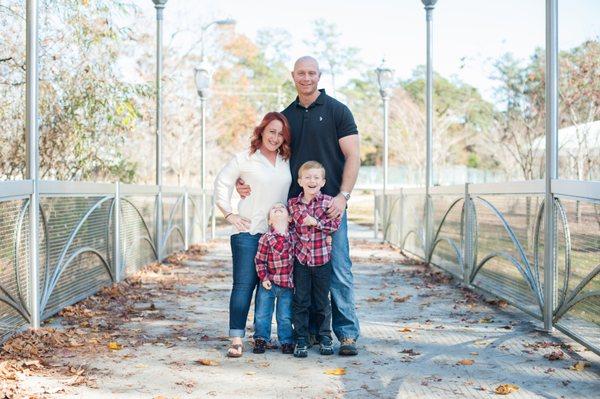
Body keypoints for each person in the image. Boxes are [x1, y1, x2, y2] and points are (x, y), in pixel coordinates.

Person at [237, 56, 361, 356]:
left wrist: (343, 196)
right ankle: (306, 334)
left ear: (319, 75)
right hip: (294, 211)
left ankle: (345, 334)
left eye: (312, 73)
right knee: (298, 274)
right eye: (301, 73)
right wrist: (241, 182)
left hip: (330, 207)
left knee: (339, 271)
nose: (306, 78)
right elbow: (264, 154)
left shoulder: (337, 111)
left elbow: (354, 155)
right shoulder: (285, 117)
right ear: (293, 75)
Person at [214, 112, 292, 358]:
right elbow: (221, 182)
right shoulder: (245, 159)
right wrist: (229, 213)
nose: (275, 137)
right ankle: (236, 338)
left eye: (280, 134)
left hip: (279, 236)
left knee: (274, 290)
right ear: (261, 132)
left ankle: (263, 337)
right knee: (244, 286)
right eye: (271, 131)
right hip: (249, 233)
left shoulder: (286, 160)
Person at [288, 161, 341, 358]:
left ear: (323, 181)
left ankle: (325, 338)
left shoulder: (328, 202)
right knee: (301, 301)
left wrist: (317, 223)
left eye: (316, 178)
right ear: (300, 181)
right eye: (308, 177)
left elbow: (335, 224)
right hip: (301, 261)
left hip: (322, 261)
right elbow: (291, 228)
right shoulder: (293, 204)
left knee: (322, 302)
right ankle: (301, 339)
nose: (312, 181)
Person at [253, 202, 296, 355]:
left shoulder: (294, 237)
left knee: (285, 315)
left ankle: (286, 341)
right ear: (270, 221)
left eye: (282, 208)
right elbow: (260, 260)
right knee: (263, 313)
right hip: (269, 284)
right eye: (274, 209)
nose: (277, 207)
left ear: (290, 218)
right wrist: (263, 277)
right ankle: (261, 339)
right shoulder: (266, 238)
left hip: (288, 285)